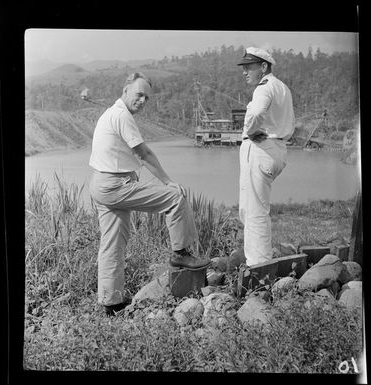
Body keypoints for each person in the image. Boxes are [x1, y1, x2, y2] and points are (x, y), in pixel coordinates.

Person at [89, 72, 211, 316]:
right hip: (115, 186)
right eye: (139, 94)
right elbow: (143, 155)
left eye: (147, 97)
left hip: (102, 184)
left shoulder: (112, 113)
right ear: (125, 91)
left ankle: (110, 304)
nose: (143, 100)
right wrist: (167, 181)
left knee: (112, 245)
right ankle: (181, 253)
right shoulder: (122, 114)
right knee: (175, 198)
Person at [236, 47, 295, 266]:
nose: (244, 72)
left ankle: (258, 266)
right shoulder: (282, 88)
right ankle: (257, 259)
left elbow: (257, 112)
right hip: (277, 149)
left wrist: (251, 131)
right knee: (251, 208)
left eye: (249, 67)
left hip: (261, 150)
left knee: (254, 211)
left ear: (263, 66)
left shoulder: (264, 88)